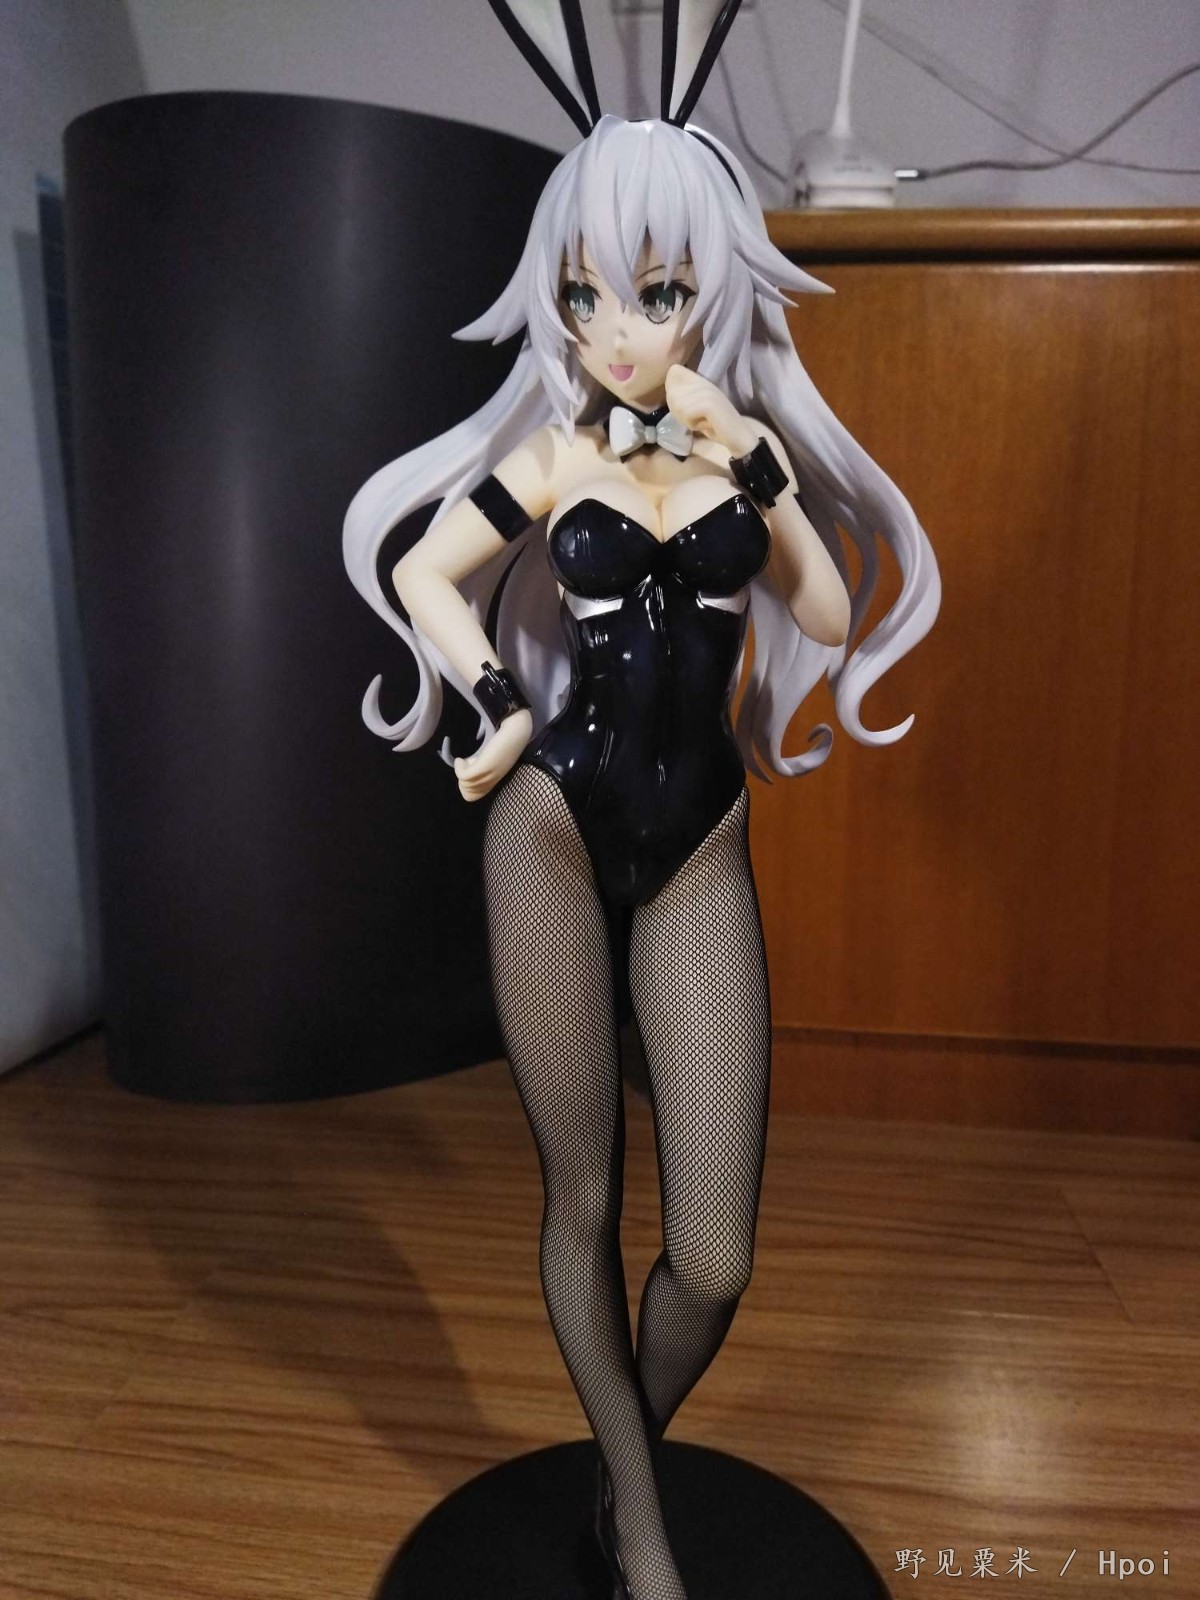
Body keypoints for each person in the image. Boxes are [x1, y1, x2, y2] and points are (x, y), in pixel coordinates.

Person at [343, 10, 940, 1599]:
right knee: (585, 1199)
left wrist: (762, 468)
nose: (620, 331)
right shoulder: (551, 462)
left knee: (715, 1254)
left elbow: (826, 613)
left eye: (660, 293)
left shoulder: (741, 455)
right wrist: (488, 695)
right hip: (549, 827)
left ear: (709, 291)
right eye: (587, 294)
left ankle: (625, 1473)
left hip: (699, 844)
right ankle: (648, 1536)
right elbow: (425, 572)